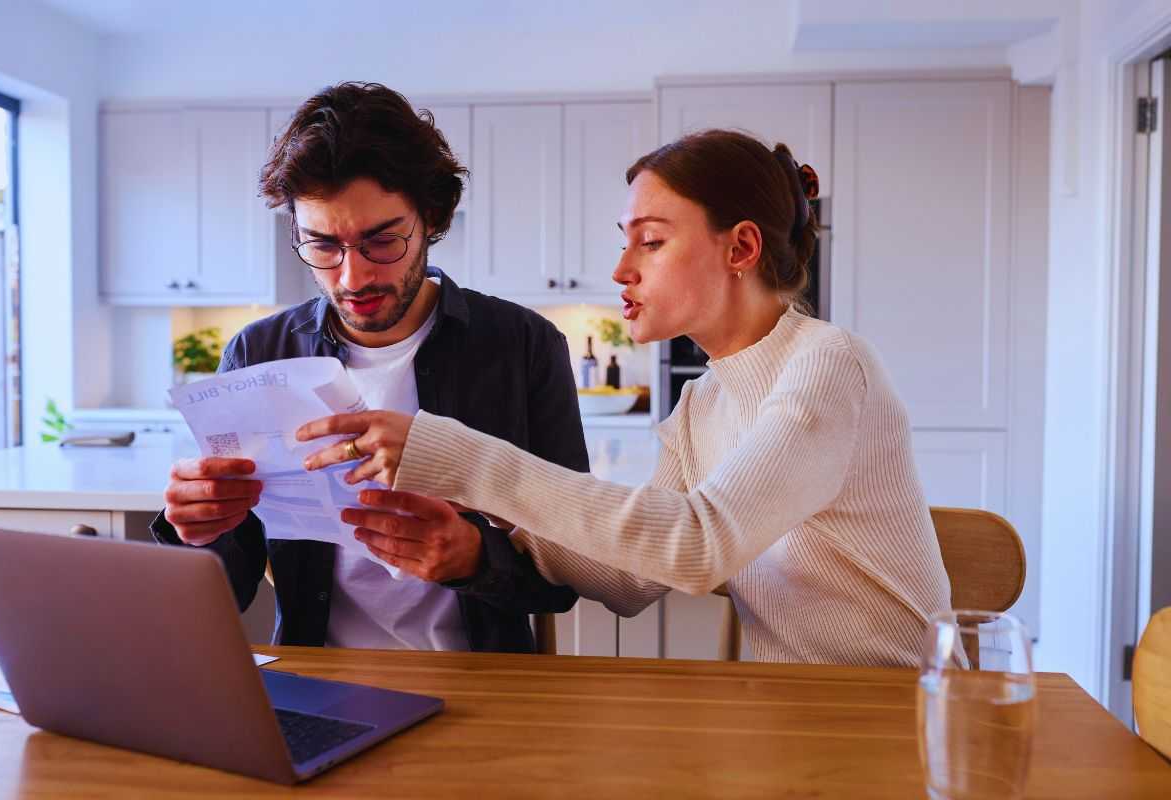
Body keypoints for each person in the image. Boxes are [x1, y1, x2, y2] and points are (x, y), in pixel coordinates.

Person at [297, 129, 954, 667]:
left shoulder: (828, 364)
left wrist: (460, 459)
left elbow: (698, 547)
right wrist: (484, 524)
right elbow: (630, 580)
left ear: (741, 248)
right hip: (794, 721)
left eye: (652, 240)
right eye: (625, 238)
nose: (620, 268)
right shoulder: (703, 404)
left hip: (899, 720)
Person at [153, 82, 586, 654]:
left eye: (382, 242)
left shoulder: (524, 346)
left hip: (489, 686)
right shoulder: (258, 354)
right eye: (323, 246)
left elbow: (568, 576)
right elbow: (226, 590)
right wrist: (195, 529)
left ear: (431, 217)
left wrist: (474, 558)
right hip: (321, 677)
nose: (352, 278)